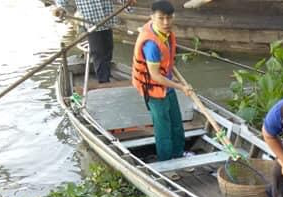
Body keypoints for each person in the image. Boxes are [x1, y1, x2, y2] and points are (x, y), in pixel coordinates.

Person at [131, 1, 191, 161]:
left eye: (169, 18)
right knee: (163, 129)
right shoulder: (151, 45)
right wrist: (181, 87)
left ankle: (178, 155)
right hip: (154, 90)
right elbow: (155, 76)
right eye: (161, 18)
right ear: (152, 18)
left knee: (177, 125)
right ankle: (165, 162)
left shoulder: (164, 34)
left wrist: (177, 84)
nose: (166, 22)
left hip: (167, 87)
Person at [52, 0, 130, 84]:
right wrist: (60, 7)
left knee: (108, 50)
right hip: (91, 22)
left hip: (107, 20)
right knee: (99, 53)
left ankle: (105, 77)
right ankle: (104, 82)